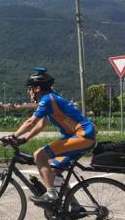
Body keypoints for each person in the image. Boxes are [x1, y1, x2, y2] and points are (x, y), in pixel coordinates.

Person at [9, 68, 97, 203]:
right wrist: (25, 138)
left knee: (39, 155)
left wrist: (13, 136)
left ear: (37, 88)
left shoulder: (47, 100)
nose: (29, 92)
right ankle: (75, 207)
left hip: (82, 136)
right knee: (54, 171)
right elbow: (41, 124)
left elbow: (31, 122)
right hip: (82, 137)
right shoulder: (53, 98)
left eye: (30, 88)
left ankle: (51, 194)